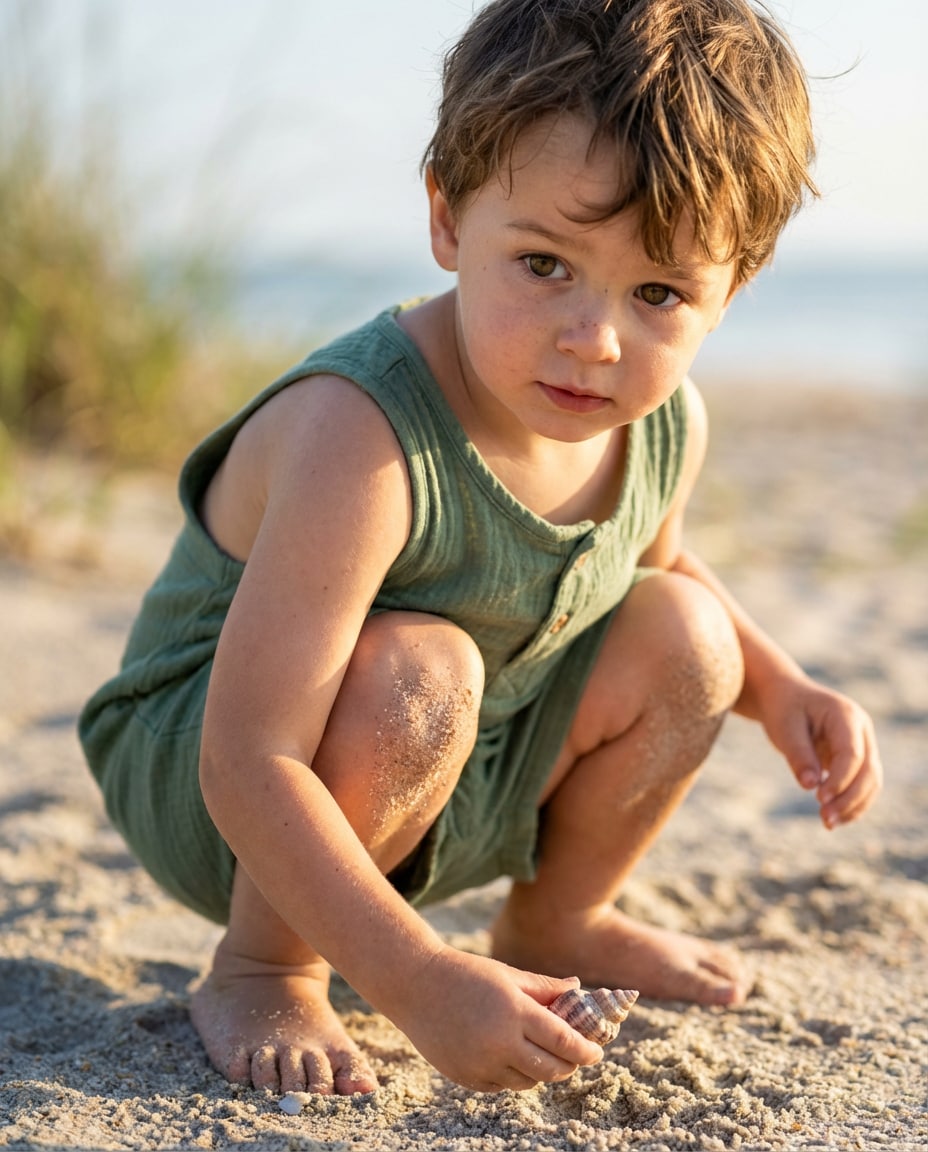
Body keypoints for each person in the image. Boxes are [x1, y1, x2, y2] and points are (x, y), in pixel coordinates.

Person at [79, 0, 882, 1098]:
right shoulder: (359, 436)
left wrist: (780, 685)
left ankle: (557, 919)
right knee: (423, 669)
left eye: (657, 293)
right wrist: (413, 978)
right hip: (225, 779)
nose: (592, 338)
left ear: (730, 290)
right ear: (448, 220)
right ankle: (266, 961)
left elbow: (653, 572)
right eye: (545, 264)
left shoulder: (661, 423)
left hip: (448, 759)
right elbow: (246, 755)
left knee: (692, 639)